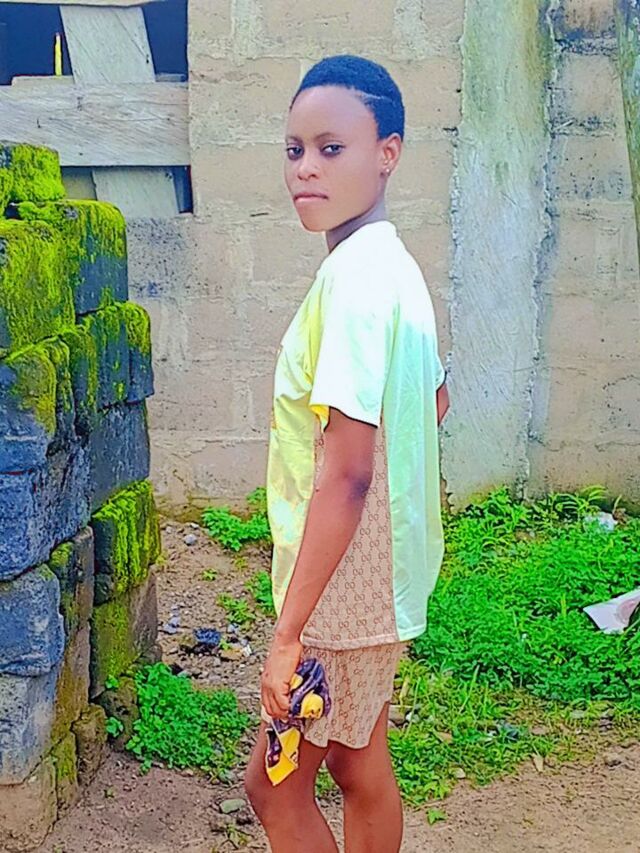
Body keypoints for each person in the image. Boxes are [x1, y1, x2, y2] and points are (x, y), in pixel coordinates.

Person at [244, 54, 450, 853]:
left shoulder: (357, 282)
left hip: (341, 592)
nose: (306, 168)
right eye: (295, 149)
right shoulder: (392, 265)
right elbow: (434, 400)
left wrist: (289, 633)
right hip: (381, 576)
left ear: (387, 152)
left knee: (273, 787)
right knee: (359, 760)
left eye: (332, 149)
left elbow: (350, 470)